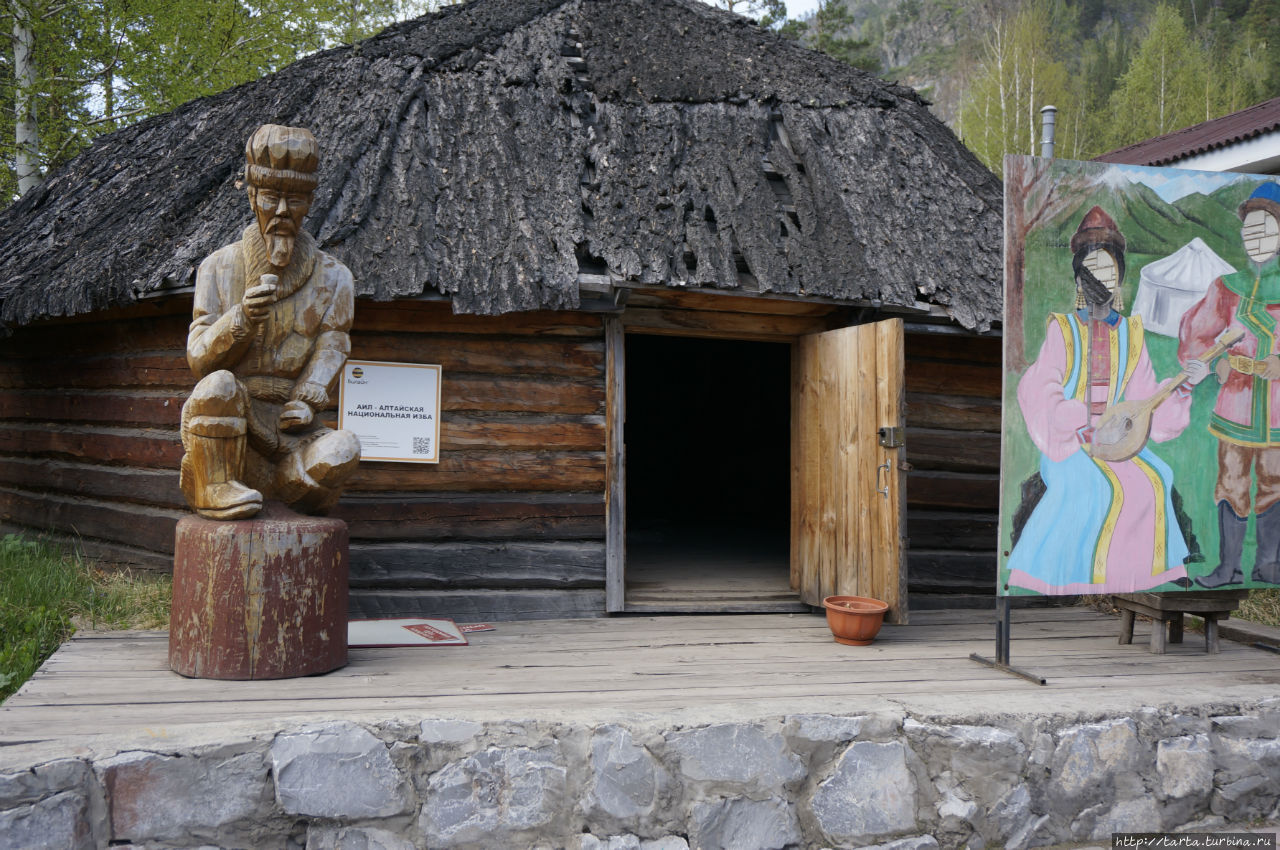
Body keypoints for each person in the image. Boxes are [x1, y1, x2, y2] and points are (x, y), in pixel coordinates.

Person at [1007, 206, 1207, 594]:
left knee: (1156, 478)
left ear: (1120, 278)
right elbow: (1038, 388)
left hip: (1120, 440)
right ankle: (1068, 574)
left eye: (1109, 271)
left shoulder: (1132, 334)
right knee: (1095, 487)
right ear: (1079, 276)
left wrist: (1182, 386)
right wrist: (1076, 416)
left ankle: (1147, 575)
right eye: (1093, 270)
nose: (1101, 279)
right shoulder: (1063, 331)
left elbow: (1145, 397)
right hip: (1074, 441)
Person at [179, 124, 360, 520]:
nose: (281, 212)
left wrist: (308, 397)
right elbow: (199, 360)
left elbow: (333, 343)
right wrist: (241, 318)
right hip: (234, 421)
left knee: (343, 447)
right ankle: (216, 484)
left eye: (293, 200)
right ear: (252, 197)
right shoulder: (218, 267)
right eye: (270, 197)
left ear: (309, 202)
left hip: (291, 428)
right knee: (217, 385)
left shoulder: (335, 277)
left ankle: (292, 485)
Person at [1178, 182, 1280, 588]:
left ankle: (1269, 565)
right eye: (1249, 231)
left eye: (1266, 230)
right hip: (1235, 403)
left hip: (1276, 407)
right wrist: (1214, 364)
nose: (1256, 239)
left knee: (1274, 482)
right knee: (1232, 480)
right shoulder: (1227, 286)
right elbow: (1198, 334)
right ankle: (1228, 567)